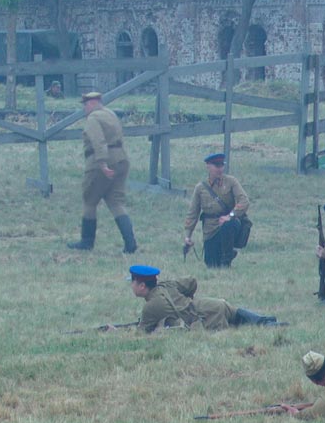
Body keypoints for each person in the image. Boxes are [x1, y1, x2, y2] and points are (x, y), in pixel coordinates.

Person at [67, 92, 137, 254]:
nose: (84, 108)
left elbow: (98, 141)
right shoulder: (111, 115)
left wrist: (102, 163)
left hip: (101, 162)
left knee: (89, 200)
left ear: (91, 103)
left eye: (85, 104)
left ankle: (86, 241)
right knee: (116, 201)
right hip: (122, 159)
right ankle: (130, 243)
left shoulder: (93, 119)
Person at [127, 265, 285, 332]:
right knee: (240, 317)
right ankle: (271, 324)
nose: (131, 285)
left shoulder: (151, 306)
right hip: (211, 304)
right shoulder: (167, 285)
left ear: (142, 286)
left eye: (133, 282)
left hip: (207, 316)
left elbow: (141, 332)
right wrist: (187, 299)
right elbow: (191, 281)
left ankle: (270, 325)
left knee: (232, 328)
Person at [184, 153, 249, 268]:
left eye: (221, 165)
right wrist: (188, 236)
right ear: (208, 166)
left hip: (230, 225)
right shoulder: (200, 188)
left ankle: (227, 260)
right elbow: (193, 213)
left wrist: (230, 216)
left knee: (228, 225)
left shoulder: (231, 182)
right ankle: (222, 257)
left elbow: (244, 201)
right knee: (211, 264)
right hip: (210, 230)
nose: (220, 169)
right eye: (216, 166)